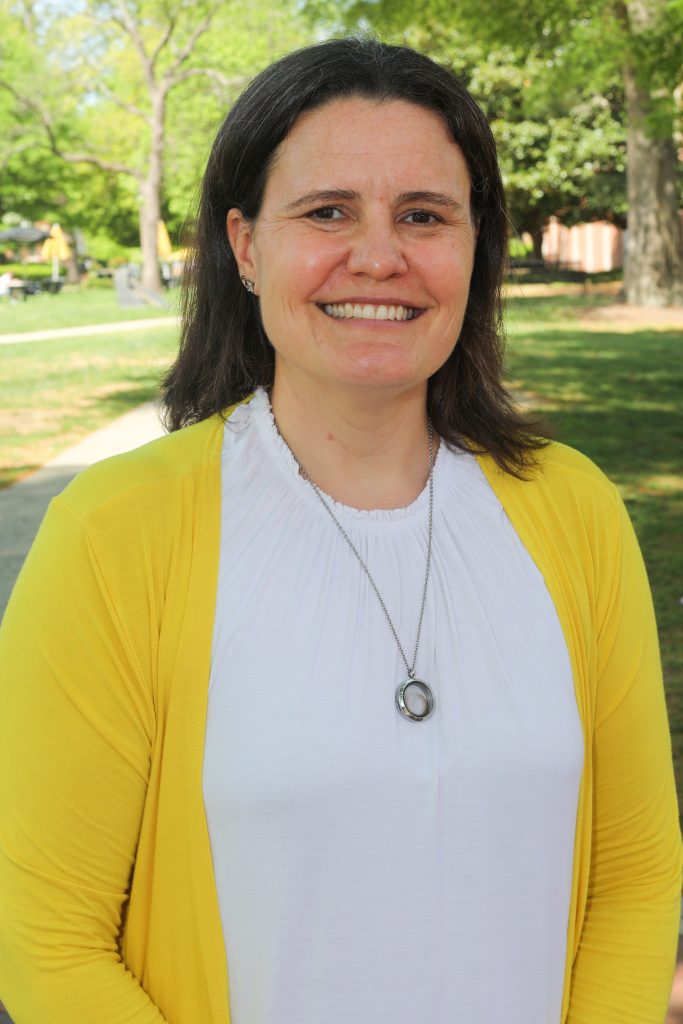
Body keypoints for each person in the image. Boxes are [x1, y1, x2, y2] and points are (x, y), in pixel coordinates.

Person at [0, 37, 680, 1024]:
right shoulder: (114, 535)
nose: (378, 255)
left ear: (471, 244)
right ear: (243, 245)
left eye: (422, 215)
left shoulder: (574, 511)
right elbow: (44, 936)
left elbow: (631, 876)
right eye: (326, 212)